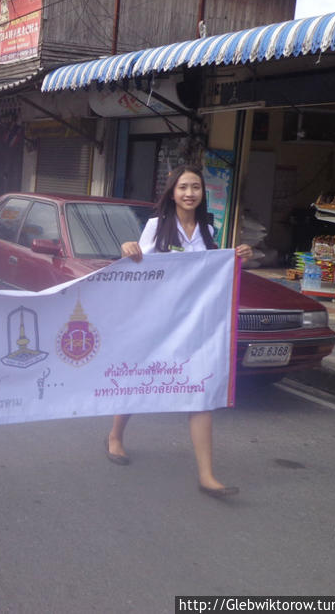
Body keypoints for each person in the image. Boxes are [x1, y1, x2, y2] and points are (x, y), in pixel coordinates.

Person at [109, 164, 253, 498]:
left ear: (203, 194)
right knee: (140, 378)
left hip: (194, 324)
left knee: (199, 391)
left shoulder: (207, 229)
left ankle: (207, 475)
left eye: (196, 188)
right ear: (172, 192)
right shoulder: (156, 227)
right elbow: (138, 266)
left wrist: (238, 255)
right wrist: (129, 249)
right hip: (158, 321)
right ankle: (115, 435)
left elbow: (211, 272)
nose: (189, 193)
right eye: (183, 187)